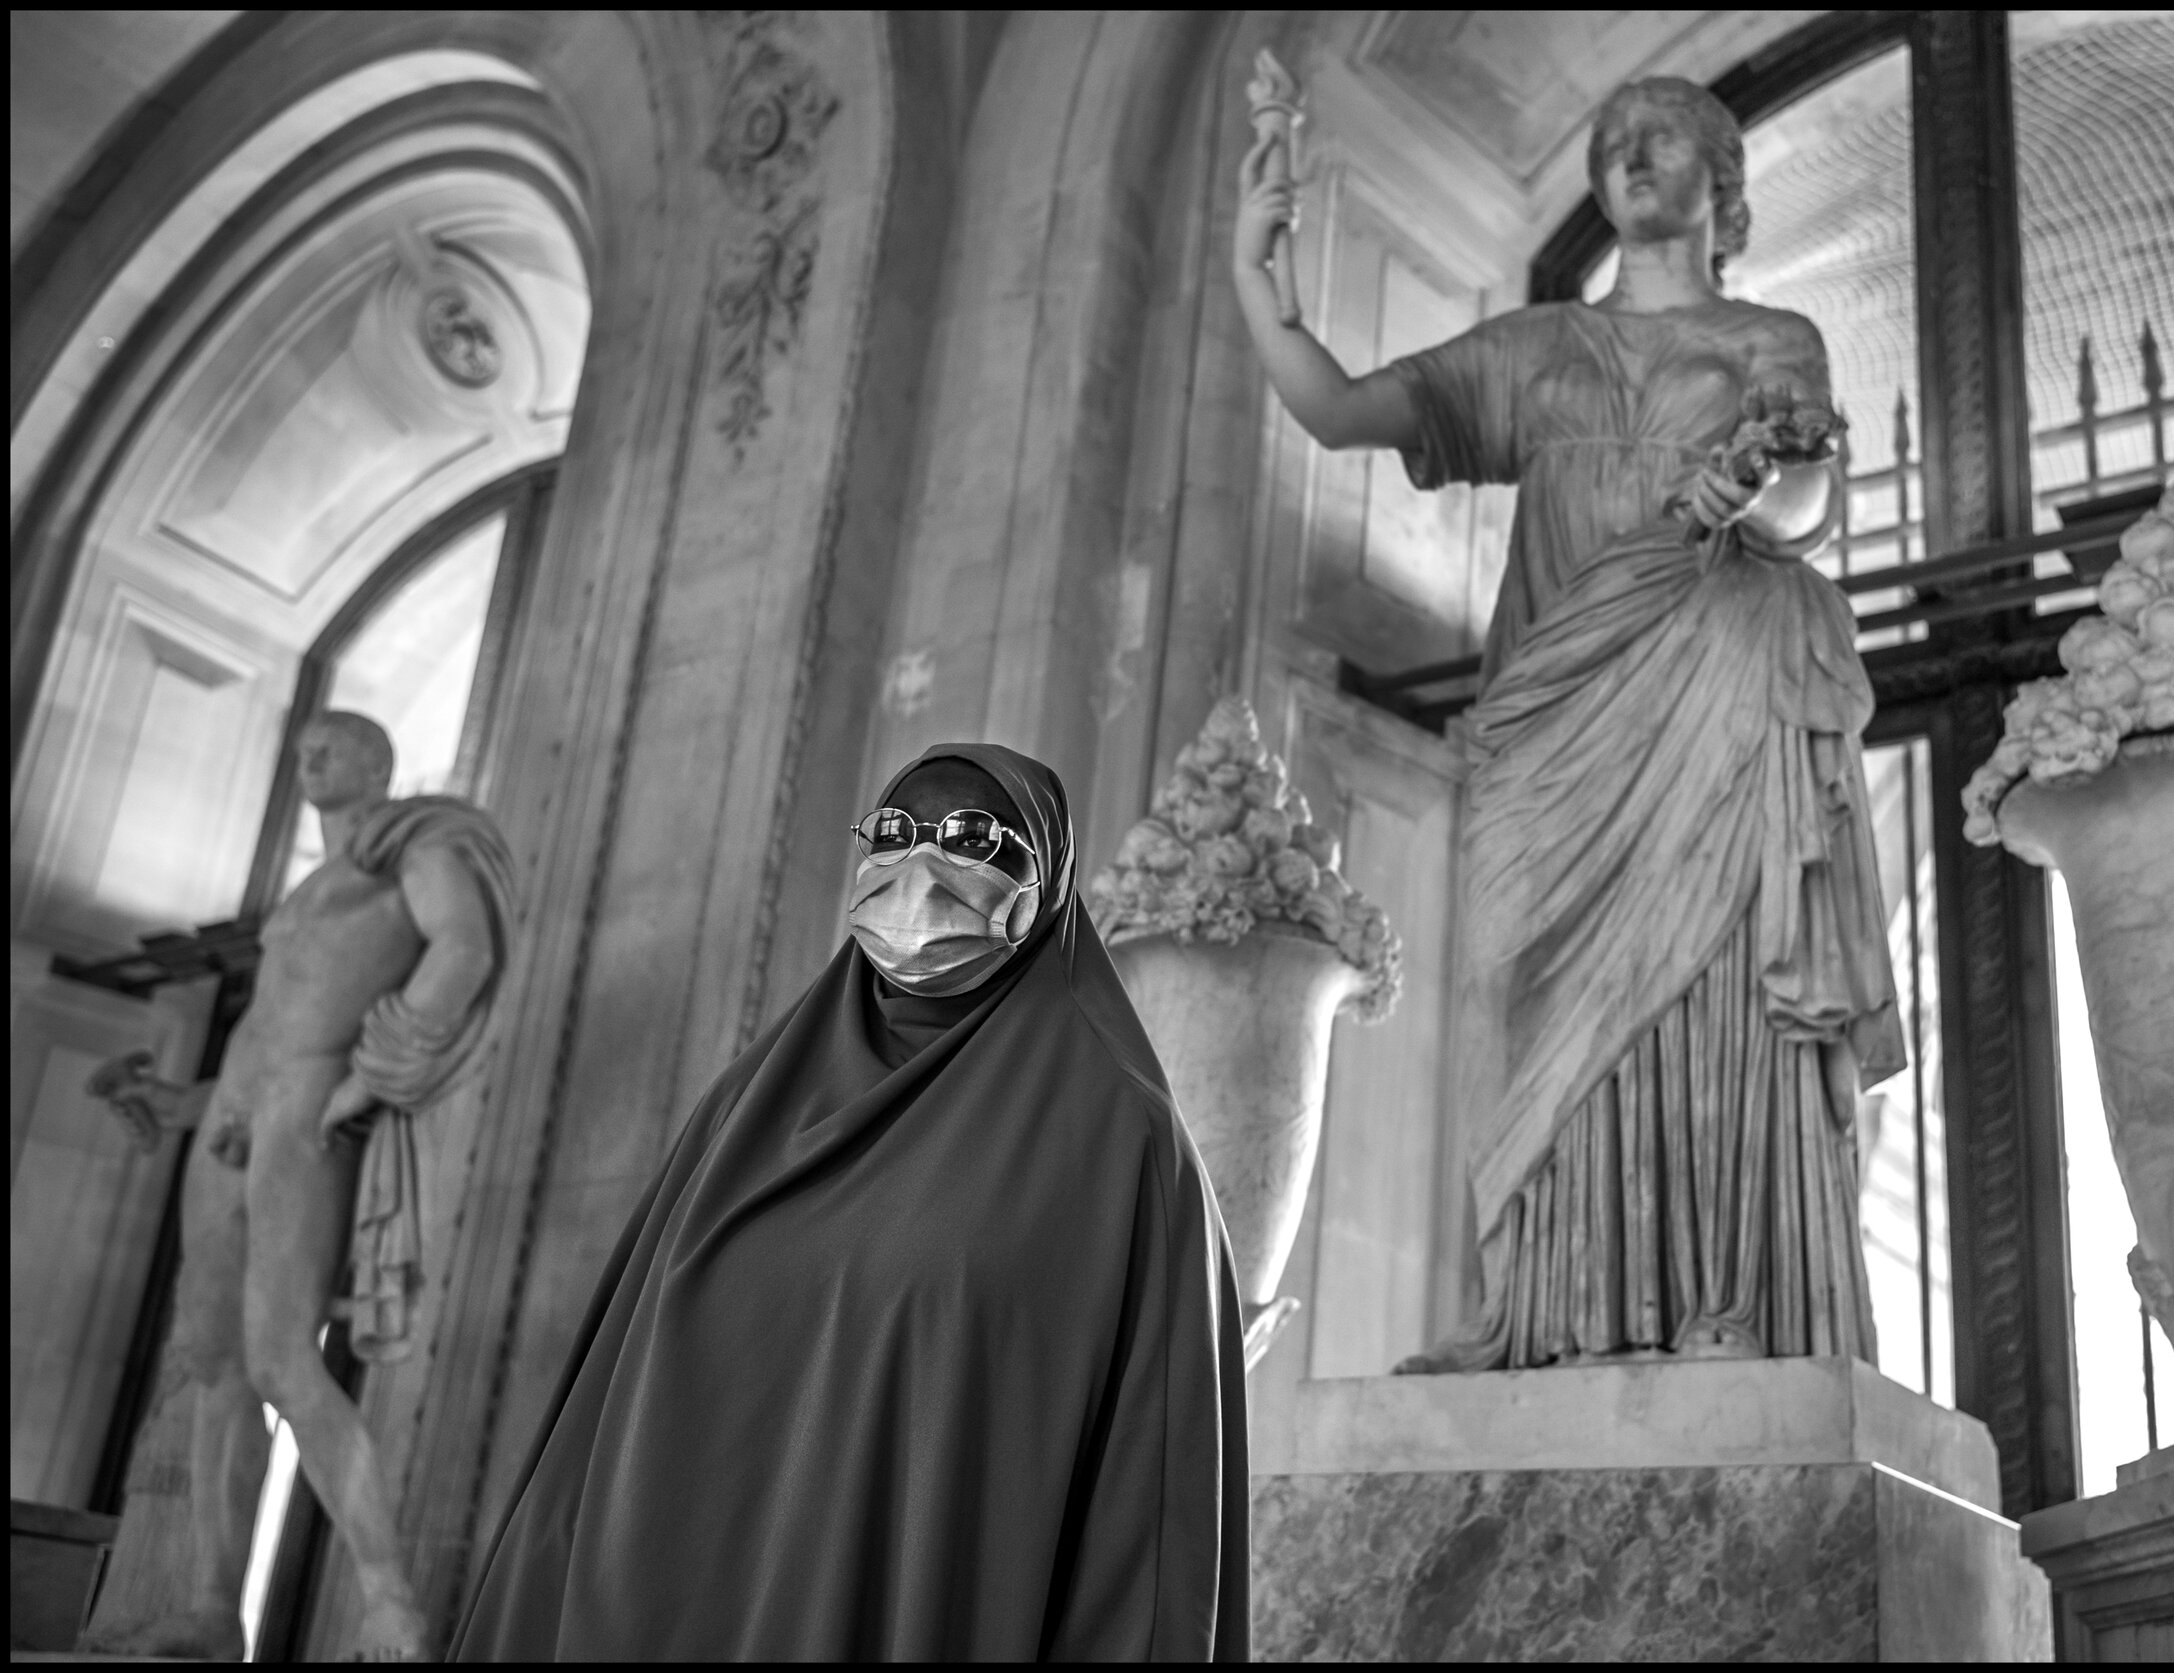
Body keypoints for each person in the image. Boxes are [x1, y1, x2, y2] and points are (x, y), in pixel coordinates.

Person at [1231, 76, 1903, 1371]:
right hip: (1551, 716)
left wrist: (1755, 489)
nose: (1632, 158)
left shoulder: (1773, 338)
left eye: (1662, 141)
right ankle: (1537, 1316)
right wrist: (1261, 274)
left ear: (1721, 180)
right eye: (1609, 147)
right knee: (1525, 1008)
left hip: (1710, 687)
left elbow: (1811, 506)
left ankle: (1732, 1303)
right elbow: (1334, 409)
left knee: (1713, 994)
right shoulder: (1535, 350)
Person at [454, 744, 1249, 1660]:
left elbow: (1149, 1499)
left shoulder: (1116, 1136)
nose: (923, 867)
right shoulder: (752, 1103)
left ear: (1050, 883)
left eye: (974, 840)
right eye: (897, 834)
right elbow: (605, 1407)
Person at [83, 710, 512, 1662]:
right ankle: (211, 1606)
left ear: (381, 760)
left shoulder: (418, 841)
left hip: (307, 1113)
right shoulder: (307, 891)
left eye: (336, 739)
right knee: (215, 1364)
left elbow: (466, 949)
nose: (311, 752)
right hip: (234, 1124)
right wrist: (178, 1100)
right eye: (304, 742)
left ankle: (388, 1601)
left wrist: (377, 1069)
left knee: (281, 1356)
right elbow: (259, 1034)